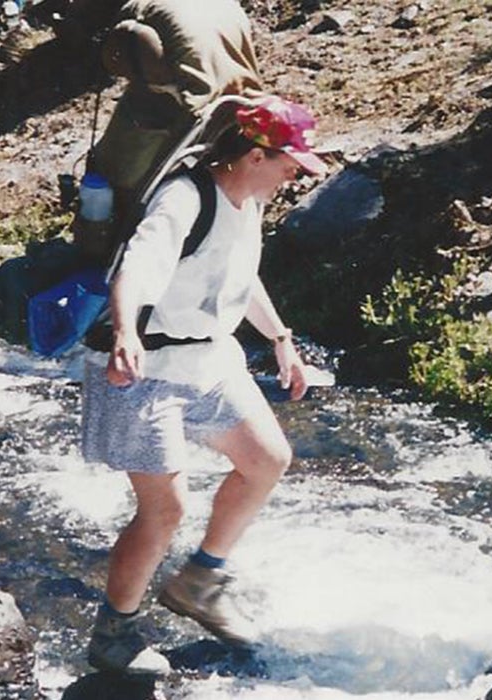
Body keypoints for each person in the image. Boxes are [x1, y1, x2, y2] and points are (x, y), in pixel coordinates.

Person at [80, 96, 328, 674]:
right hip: (144, 369)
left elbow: (240, 275)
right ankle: (113, 635)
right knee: (165, 511)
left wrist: (281, 338)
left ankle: (199, 582)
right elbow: (135, 269)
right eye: (291, 165)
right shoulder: (184, 199)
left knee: (267, 459)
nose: (294, 178)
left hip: (209, 360)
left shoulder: (249, 201)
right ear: (256, 155)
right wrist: (125, 331)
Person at [77, 0, 264, 263]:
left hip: (194, 90)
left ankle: (117, 248)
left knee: (125, 171)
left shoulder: (142, 20)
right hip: (229, 81)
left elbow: (136, 44)